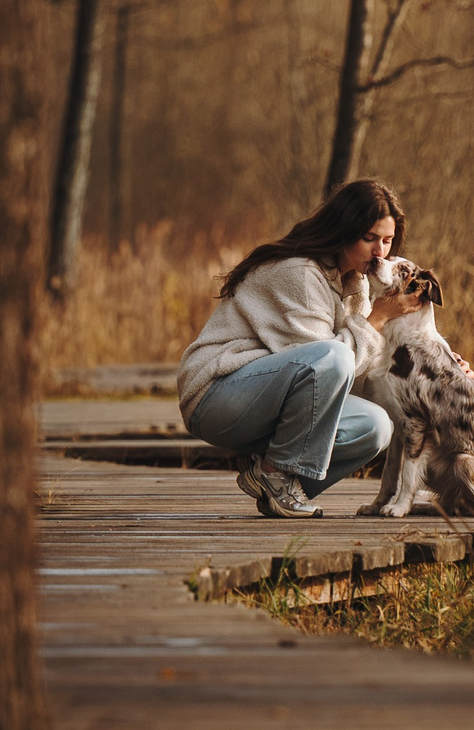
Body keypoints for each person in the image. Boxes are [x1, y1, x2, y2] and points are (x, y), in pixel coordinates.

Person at [178, 180, 426, 519]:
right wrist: (377, 319)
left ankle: (279, 486)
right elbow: (329, 365)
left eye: (387, 240)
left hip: (270, 406)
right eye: (369, 238)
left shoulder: (356, 282)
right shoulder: (300, 274)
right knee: (333, 355)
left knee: (376, 426)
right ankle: (277, 471)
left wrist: (438, 377)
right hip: (217, 394)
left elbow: (354, 382)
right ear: (343, 230)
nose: (380, 252)